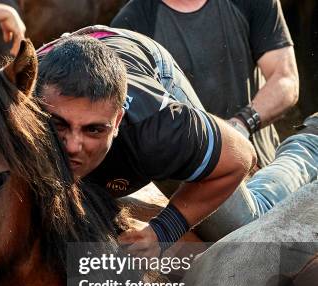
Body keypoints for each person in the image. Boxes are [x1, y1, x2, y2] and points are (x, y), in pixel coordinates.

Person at [36, 26, 317, 254]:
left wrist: (164, 231)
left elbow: (241, 155)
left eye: (94, 130)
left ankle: (307, 146)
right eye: (59, 124)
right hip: (69, 54)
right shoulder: (17, 110)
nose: (72, 145)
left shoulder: (157, 130)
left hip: (146, 63)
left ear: (118, 121)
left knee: (242, 225)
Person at [111, 0, 299, 168]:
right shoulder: (131, 23)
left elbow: (285, 79)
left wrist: (241, 125)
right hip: (190, 178)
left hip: (263, 165)